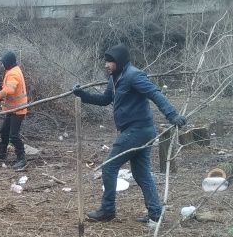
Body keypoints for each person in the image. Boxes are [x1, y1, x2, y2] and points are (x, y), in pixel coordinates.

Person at [73, 44, 187, 223]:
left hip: (138, 130)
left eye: (109, 61)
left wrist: (172, 115)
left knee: (109, 167)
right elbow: (104, 100)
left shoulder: (134, 75)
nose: (106, 65)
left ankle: (108, 210)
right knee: (141, 173)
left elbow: (155, 94)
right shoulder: (115, 78)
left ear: (118, 61)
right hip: (136, 131)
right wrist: (82, 95)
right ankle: (155, 214)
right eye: (106, 61)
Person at [0, 51, 28, 170]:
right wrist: (3, 88)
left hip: (18, 110)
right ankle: (2, 154)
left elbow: (10, 90)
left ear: (8, 62)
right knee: (4, 131)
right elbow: (10, 87)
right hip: (12, 109)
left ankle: (22, 159)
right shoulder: (13, 70)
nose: (2, 64)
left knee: (13, 136)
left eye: (3, 62)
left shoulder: (13, 73)